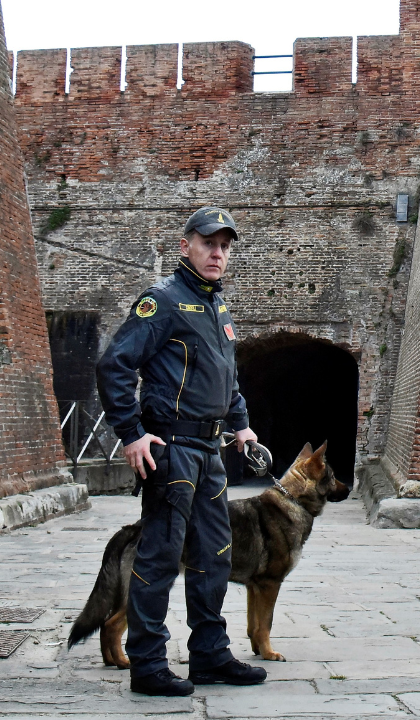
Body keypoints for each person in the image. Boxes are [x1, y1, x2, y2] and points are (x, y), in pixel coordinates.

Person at [96, 207, 267, 696]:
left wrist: (242, 427)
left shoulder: (218, 308)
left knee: (215, 555)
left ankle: (209, 656)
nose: (217, 253)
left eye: (225, 246)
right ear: (185, 246)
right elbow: (115, 366)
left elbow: (227, 378)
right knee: (160, 558)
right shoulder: (162, 302)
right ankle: (148, 666)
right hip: (170, 449)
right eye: (208, 242)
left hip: (210, 451)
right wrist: (130, 434)